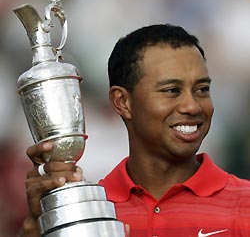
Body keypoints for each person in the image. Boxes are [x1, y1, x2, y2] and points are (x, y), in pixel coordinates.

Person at [20, 24, 250, 236]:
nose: (192, 106)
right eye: (171, 90)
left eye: (201, 89)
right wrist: (37, 225)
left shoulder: (245, 204)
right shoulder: (87, 213)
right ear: (122, 102)